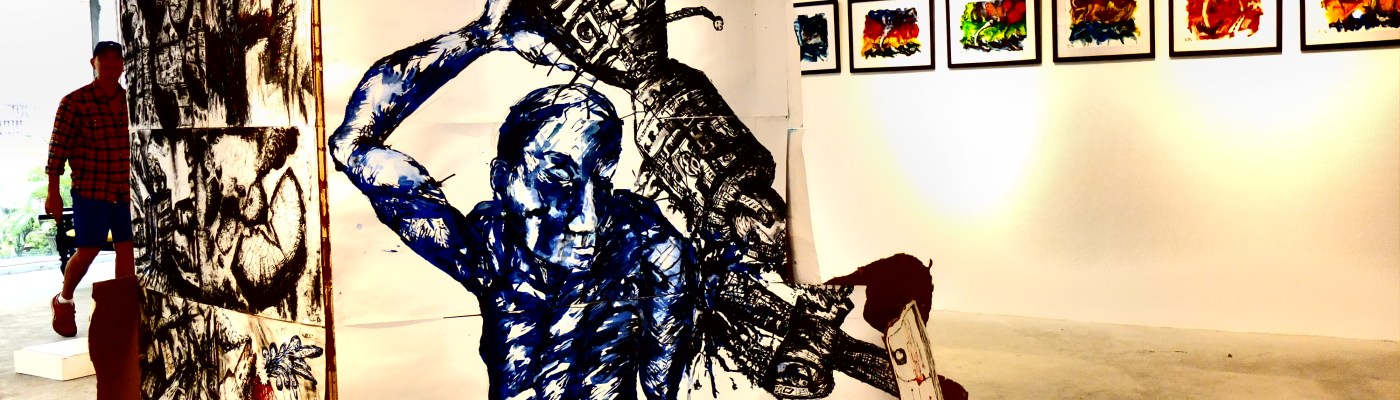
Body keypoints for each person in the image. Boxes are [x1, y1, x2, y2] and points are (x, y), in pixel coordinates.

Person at [333, 84, 694, 399]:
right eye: (557, 177)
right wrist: (480, 37)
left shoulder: (645, 243)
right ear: (504, 181)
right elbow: (351, 144)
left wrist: (671, 281)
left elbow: (663, 385)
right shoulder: (492, 245)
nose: (588, 219)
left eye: (602, 180)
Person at [45, 41, 135, 338]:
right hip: (91, 190)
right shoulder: (74, 101)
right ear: (93, 63)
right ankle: (64, 300)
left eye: (116, 59)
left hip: (125, 190)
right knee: (88, 250)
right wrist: (53, 192)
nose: (111, 64)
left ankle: (122, 311)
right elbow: (57, 151)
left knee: (127, 248)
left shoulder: (130, 101)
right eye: (103, 59)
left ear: (123, 64)